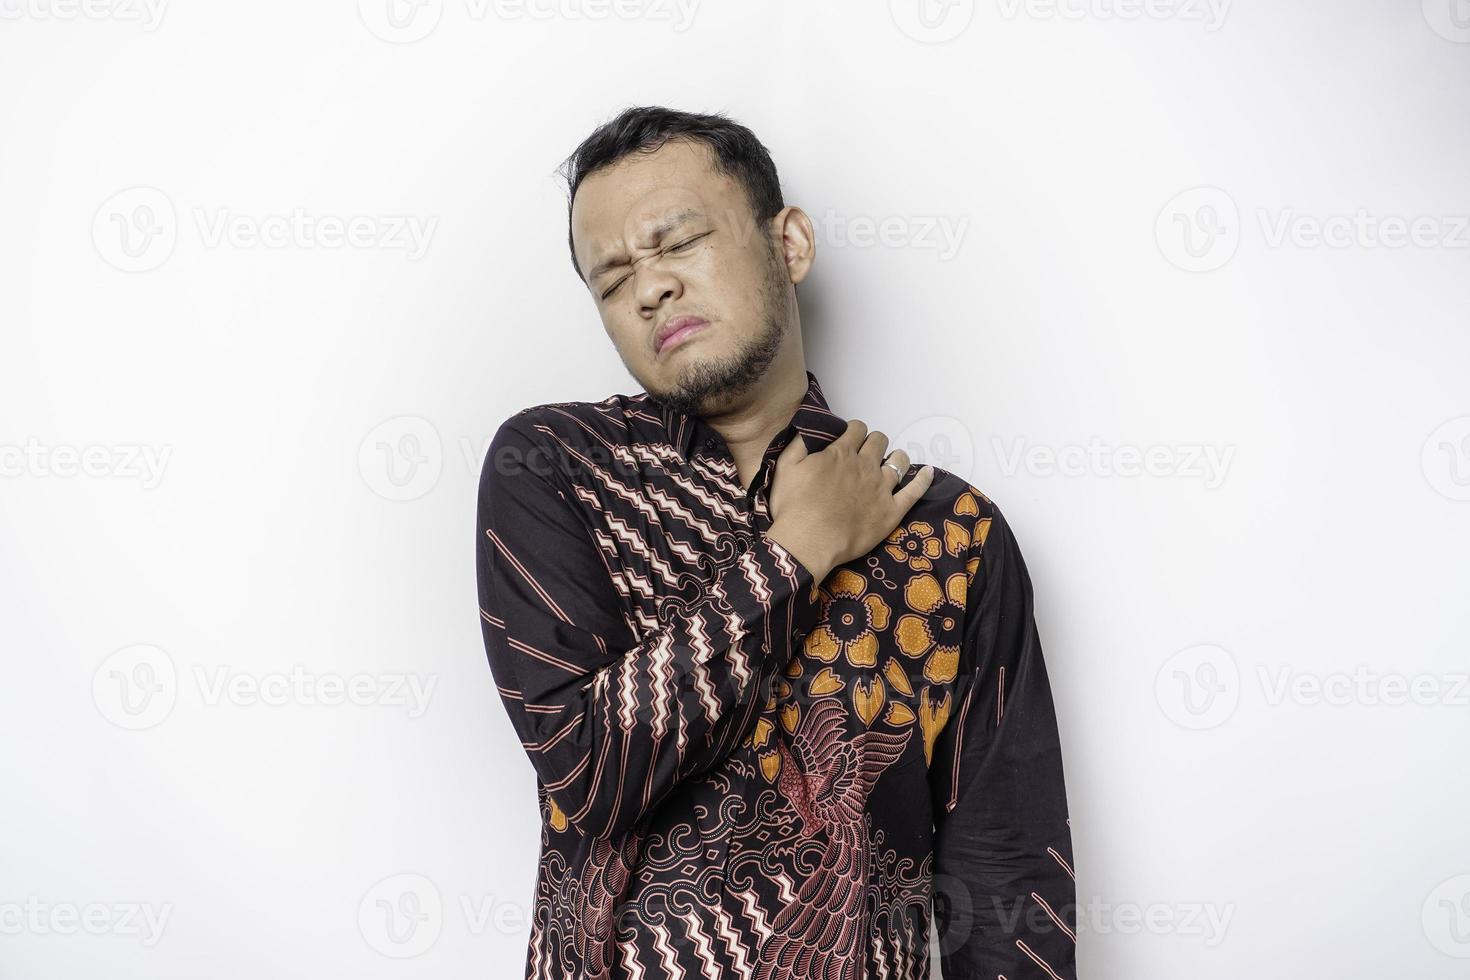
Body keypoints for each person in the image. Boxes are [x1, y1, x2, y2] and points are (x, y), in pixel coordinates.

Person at [476, 105, 1078, 980]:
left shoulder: (949, 533)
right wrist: (796, 550)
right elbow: (589, 775)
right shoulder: (556, 469)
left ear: (788, 243)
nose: (650, 289)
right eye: (612, 280)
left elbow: (1010, 880)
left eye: (678, 241)